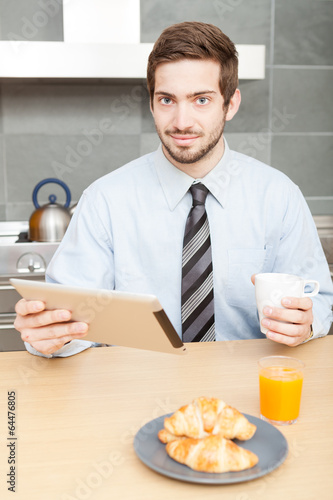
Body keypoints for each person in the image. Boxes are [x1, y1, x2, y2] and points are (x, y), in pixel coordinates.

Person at [14, 22, 333, 357]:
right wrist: (50, 335)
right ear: (151, 103)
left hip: (248, 395)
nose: (182, 121)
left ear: (231, 103)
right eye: (167, 99)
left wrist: (306, 324)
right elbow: (69, 323)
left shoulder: (278, 196)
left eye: (201, 100)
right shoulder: (105, 200)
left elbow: (320, 302)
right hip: (134, 393)